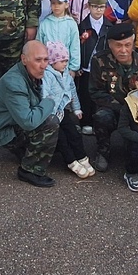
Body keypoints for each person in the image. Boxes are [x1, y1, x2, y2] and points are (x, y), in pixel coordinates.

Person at [0, 40, 63, 187]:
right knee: (51, 122)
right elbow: (28, 122)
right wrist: (50, 101)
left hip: (15, 123)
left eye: (46, 59)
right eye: (38, 60)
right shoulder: (14, 82)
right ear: (24, 59)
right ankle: (29, 170)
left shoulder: (31, 73)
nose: (44, 65)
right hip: (3, 132)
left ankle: (29, 151)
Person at [88, 22, 138, 172]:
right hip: (112, 108)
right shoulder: (99, 61)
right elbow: (95, 92)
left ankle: (134, 148)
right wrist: (121, 107)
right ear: (110, 45)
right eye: (118, 45)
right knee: (101, 117)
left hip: (137, 112)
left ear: (133, 43)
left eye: (127, 45)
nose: (123, 50)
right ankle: (103, 150)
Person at [43, 41, 95, 178]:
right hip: (51, 114)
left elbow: (72, 92)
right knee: (62, 138)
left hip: (62, 110)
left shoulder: (66, 74)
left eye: (66, 60)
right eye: (62, 61)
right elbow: (44, 95)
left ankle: (82, 157)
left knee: (74, 133)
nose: (65, 63)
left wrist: (76, 108)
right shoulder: (46, 75)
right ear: (52, 61)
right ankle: (71, 161)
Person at [37, 0, 81, 71]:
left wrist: (73, 68)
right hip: (47, 68)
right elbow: (39, 44)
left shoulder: (71, 24)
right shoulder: (44, 23)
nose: (56, 6)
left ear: (66, 4)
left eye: (59, 3)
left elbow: (74, 46)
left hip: (65, 68)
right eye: (53, 3)